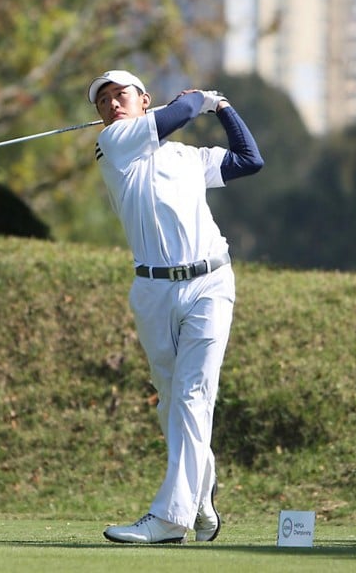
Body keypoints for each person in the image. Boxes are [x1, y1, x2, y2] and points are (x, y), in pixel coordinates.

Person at [89, 70, 264, 544]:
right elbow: (182, 112)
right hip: (152, 292)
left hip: (210, 283)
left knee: (191, 397)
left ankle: (169, 518)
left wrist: (223, 107)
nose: (110, 106)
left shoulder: (188, 158)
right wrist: (201, 99)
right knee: (173, 404)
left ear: (143, 100)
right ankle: (201, 495)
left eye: (119, 95)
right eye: (101, 101)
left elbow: (250, 160)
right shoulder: (115, 145)